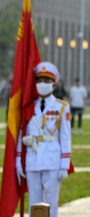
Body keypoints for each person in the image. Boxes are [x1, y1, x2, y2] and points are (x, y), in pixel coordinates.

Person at [15, 62, 71, 217]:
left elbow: (65, 137)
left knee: (51, 204)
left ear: (54, 84)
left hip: (53, 160)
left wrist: (64, 164)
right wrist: (18, 161)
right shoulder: (28, 106)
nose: (42, 84)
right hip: (32, 160)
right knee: (34, 203)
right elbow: (21, 135)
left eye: (46, 81)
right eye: (39, 81)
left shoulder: (61, 107)